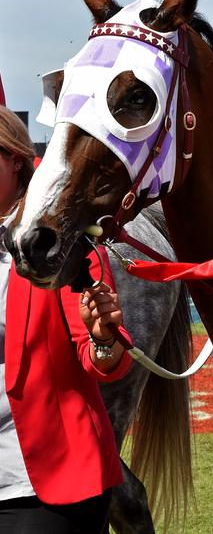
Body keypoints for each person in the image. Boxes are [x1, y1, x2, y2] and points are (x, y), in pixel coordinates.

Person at [0, 106, 131, 533]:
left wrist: (103, 337)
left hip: (43, 483)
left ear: (15, 159)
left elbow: (105, 361)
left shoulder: (57, 240)